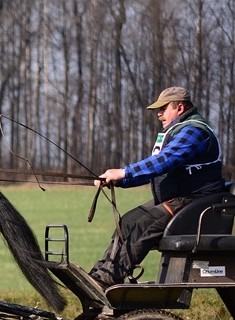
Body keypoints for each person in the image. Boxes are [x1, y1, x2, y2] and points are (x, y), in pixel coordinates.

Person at [89, 86, 225, 289]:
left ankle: (106, 282)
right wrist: (118, 180)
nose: (159, 114)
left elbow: (166, 161)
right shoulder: (176, 131)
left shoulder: (194, 131)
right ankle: (99, 274)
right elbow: (156, 170)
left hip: (195, 201)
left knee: (144, 224)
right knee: (127, 221)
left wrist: (124, 172)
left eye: (163, 108)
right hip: (179, 198)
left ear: (180, 107)